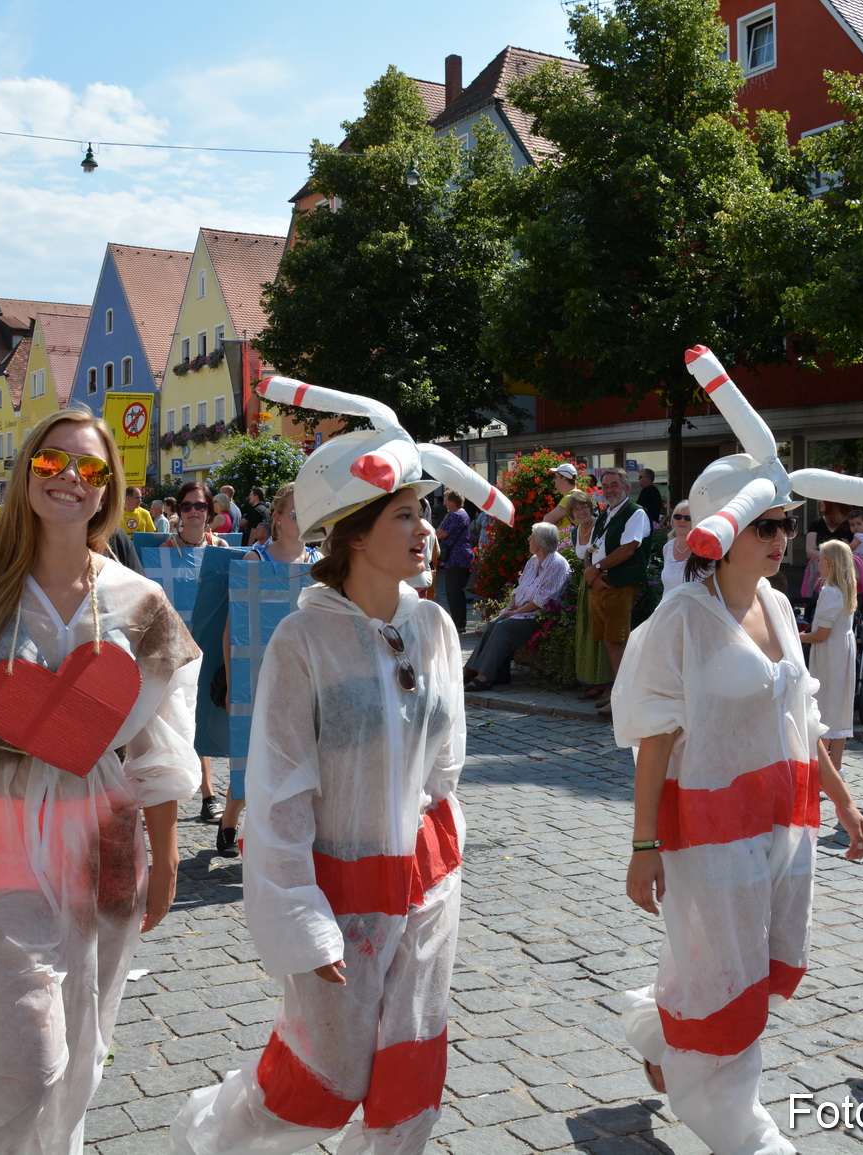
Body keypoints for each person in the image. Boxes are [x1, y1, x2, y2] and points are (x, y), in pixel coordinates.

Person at [172, 372, 512, 1155]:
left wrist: (437, 865)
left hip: (425, 884)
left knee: (412, 1074)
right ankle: (216, 1136)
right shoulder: (303, 642)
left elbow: (445, 768)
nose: (426, 528)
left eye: (424, 510)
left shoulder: (434, 627)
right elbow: (280, 789)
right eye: (405, 513)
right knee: (323, 1082)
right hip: (339, 892)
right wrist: (302, 921)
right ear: (355, 530)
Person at [0, 409, 201, 1153]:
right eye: (53, 462)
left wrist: (167, 860)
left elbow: (161, 743)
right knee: (25, 1069)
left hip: (104, 835)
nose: (70, 477)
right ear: (25, 471)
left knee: (83, 1061)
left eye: (90, 469)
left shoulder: (140, 602)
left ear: (108, 492)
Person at [617, 510, 863, 1155]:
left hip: (783, 821)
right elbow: (654, 740)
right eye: (765, 527)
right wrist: (644, 846)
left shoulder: (780, 602)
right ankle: (741, 1131)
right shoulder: (681, 618)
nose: (781, 539)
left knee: (759, 962)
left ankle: (660, 1036)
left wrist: (841, 801)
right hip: (707, 829)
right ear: (721, 537)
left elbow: (802, 720)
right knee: (730, 979)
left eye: (787, 525)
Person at [214, 484, 322, 859]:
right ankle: (230, 821)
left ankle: (291, 833)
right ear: (277, 517)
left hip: (306, 679)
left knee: (304, 756)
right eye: (295, 513)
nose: (302, 520)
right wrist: (231, 683)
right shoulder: (253, 562)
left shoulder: (320, 564)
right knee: (252, 753)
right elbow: (233, 629)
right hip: (257, 678)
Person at [162, 479, 225, 824]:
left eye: (200, 506)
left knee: (199, 717)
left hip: (207, 645)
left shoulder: (221, 549)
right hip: (169, 647)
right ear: (178, 510)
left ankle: (209, 795)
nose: (193, 512)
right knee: (170, 721)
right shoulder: (162, 549)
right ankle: (160, 791)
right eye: (187, 506)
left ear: (210, 511)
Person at [464, 522, 570, 692]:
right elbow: (519, 589)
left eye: (532, 536)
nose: (529, 539)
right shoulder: (534, 561)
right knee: (493, 624)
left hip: (538, 616)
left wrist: (515, 613)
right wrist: (510, 608)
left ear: (541, 542)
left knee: (503, 628)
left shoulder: (557, 565)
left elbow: (541, 602)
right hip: (519, 611)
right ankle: (480, 671)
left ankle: (483, 677)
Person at [581, 466, 650, 716]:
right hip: (602, 583)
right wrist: (592, 574)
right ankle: (618, 692)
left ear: (627, 488)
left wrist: (596, 569)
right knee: (609, 641)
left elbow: (628, 549)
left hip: (619, 583)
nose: (609, 490)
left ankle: (624, 698)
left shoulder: (635, 513)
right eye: (606, 486)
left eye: (615, 485)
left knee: (617, 640)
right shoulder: (605, 515)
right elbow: (590, 549)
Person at [799, 538, 858, 770]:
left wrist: (794, 636)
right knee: (839, 708)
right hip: (841, 651)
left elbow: (821, 634)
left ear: (830, 563)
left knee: (823, 708)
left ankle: (823, 771)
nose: (819, 563)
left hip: (830, 655)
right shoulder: (846, 588)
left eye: (821, 559)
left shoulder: (831, 592)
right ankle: (836, 767)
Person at [570, 492, 614, 700]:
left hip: (604, 582)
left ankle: (610, 682)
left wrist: (595, 579)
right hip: (587, 584)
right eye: (576, 509)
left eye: (583, 507)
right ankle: (595, 681)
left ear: (591, 507)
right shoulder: (574, 532)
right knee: (589, 634)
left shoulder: (601, 526)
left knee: (608, 633)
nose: (580, 512)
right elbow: (582, 559)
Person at [435, 490, 473, 635]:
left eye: (446, 500)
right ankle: (459, 623)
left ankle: (458, 624)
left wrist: (444, 520)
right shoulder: (462, 514)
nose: (445, 503)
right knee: (457, 591)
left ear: (451, 501)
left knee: (454, 592)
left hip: (457, 557)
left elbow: (440, 533)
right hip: (462, 556)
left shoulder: (455, 515)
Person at [539, 462, 586, 542]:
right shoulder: (579, 494)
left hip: (569, 547)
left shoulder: (570, 498)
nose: (554, 480)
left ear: (564, 479)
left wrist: (553, 524)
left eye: (556, 477)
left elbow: (546, 521)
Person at [660, 501, 693, 592]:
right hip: (668, 604)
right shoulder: (668, 547)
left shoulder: (703, 549)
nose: (682, 521)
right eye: (678, 517)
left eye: (688, 518)